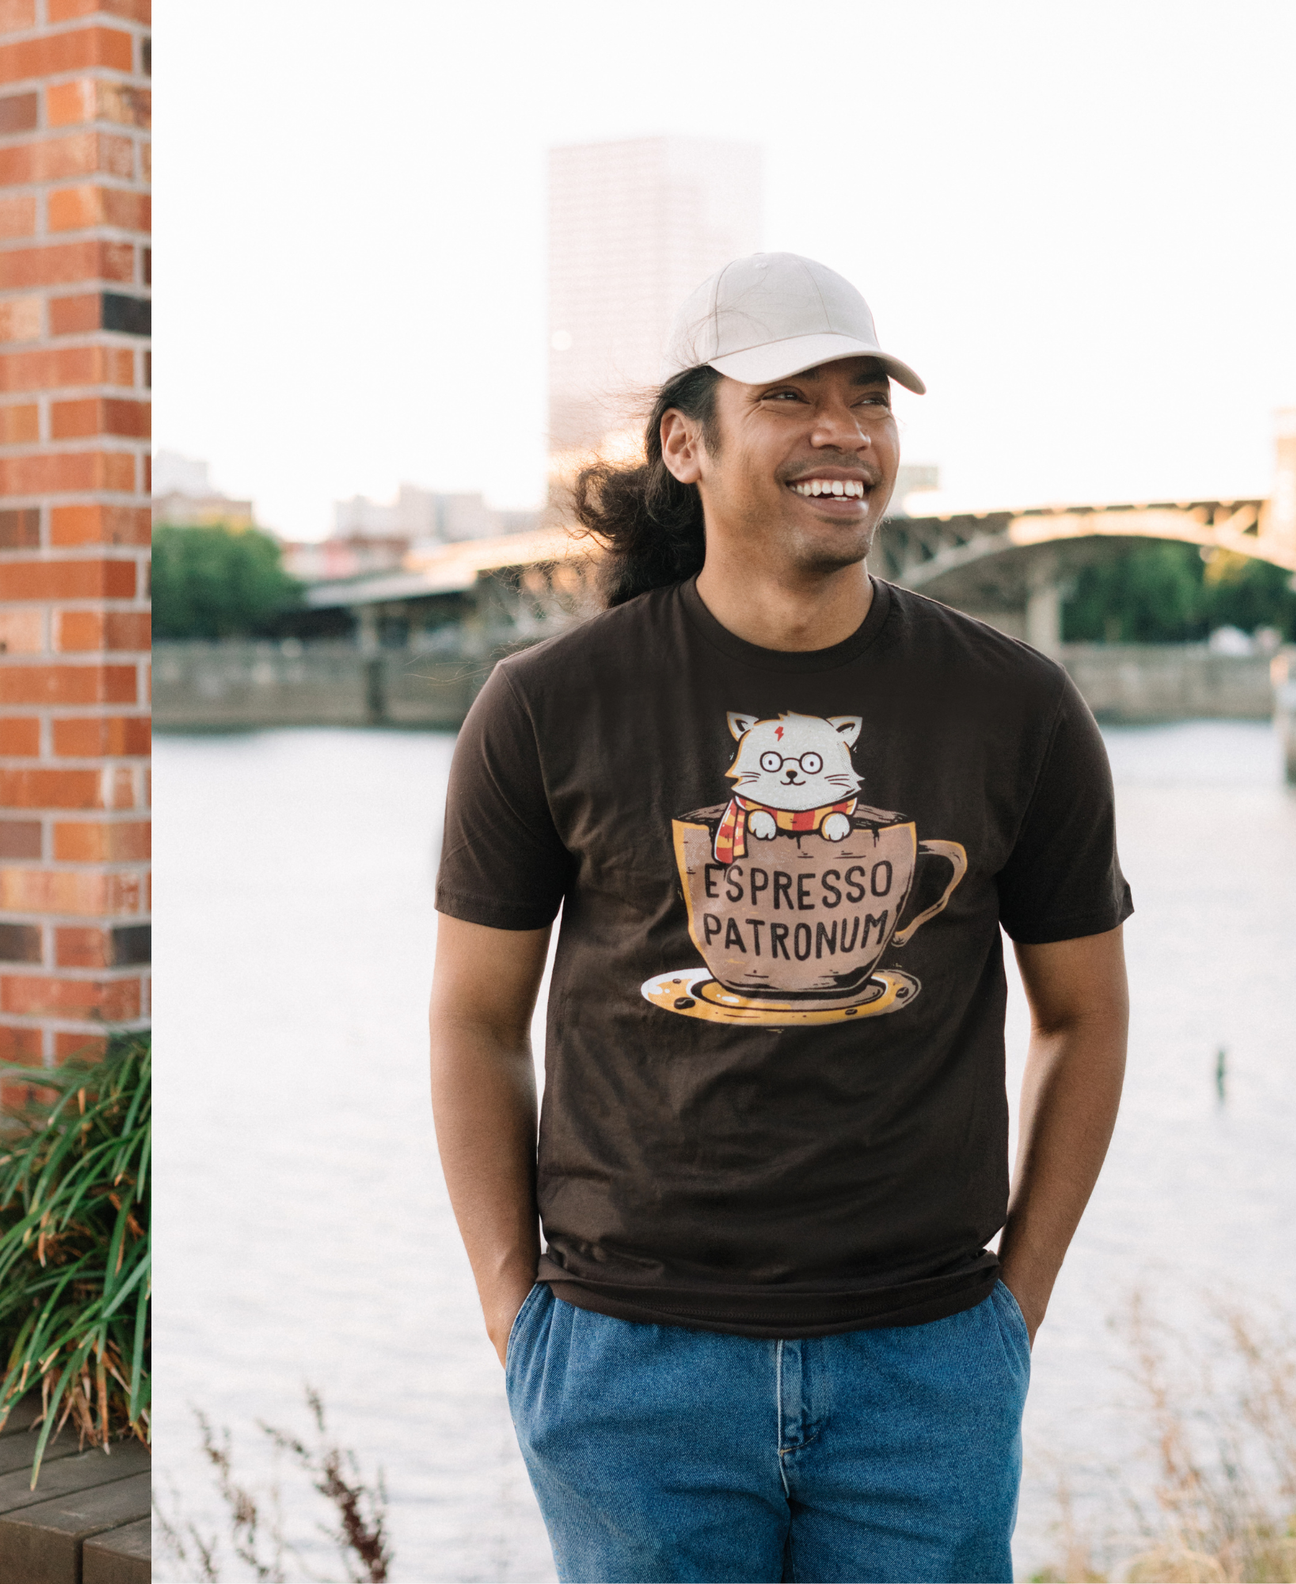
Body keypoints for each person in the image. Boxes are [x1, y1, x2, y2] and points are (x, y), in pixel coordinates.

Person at [426, 252, 1132, 1583]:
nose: (842, 434)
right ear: (685, 445)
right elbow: (472, 1023)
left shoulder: (1016, 707)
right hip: (630, 1372)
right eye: (791, 397)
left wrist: (1011, 1314)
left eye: (868, 396)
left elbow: (1086, 1018)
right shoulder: (546, 706)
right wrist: (516, 1316)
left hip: (926, 1368)